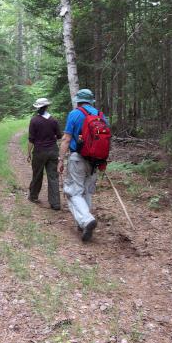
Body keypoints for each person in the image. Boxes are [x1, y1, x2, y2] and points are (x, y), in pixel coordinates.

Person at [57, 89, 107, 242]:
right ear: (91, 101)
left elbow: (66, 139)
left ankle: (86, 220)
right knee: (86, 192)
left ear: (78, 100)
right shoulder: (100, 115)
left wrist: (60, 159)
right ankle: (82, 222)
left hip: (77, 158)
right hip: (95, 160)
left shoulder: (75, 114)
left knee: (72, 192)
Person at [27, 98, 62, 210]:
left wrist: (28, 153)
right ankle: (55, 203)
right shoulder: (53, 120)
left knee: (37, 174)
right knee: (53, 177)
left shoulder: (34, 121)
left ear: (37, 108)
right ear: (47, 107)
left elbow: (31, 140)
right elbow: (59, 136)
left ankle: (33, 196)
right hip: (53, 151)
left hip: (39, 151)